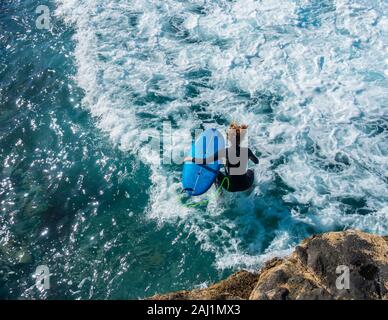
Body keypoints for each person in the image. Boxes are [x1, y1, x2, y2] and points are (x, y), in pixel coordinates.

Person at [184, 122, 259, 192]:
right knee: (252, 170)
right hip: (246, 185)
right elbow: (256, 161)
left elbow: (204, 161)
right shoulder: (247, 151)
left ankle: (219, 197)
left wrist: (190, 159)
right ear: (241, 138)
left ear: (228, 138)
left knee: (216, 173)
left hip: (231, 187)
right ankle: (251, 189)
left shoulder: (224, 152)